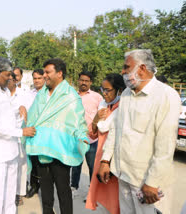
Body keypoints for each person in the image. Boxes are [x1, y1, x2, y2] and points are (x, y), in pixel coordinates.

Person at [98, 49, 180, 214]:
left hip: (145, 181)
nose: (122, 72)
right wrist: (105, 160)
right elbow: (116, 129)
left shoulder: (166, 96)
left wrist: (152, 181)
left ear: (141, 69)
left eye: (126, 67)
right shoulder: (127, 94)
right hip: (124, 175)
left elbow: (165, 145)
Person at [26, 58, 90, 214]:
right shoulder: (41, 94)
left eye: (48, 72)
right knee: (46, 190)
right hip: (41, 147)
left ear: (59, 73)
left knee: (63, 190)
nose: (45, 75)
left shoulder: (70, 96)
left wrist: (82, 138)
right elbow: (33, 116)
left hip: (60, 149)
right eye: (44, 72)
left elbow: (77, 121)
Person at [0, 56, 36, 214]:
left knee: (10, 195)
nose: (11, 78)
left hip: (10, 150)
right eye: (7, 74)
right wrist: (21, 132)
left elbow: (5, 117)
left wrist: (19, 109)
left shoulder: (2, 92)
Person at [85, 73, 126, 214]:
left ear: (119, 90)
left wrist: (107, 161)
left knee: (117, 199)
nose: (104, 93)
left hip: (114, 159)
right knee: (104, 199)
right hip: (101, 156)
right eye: (102, 89)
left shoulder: (123, 108)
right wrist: (96, 119)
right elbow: (93, 133)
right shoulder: (103, 106)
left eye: (107, 90)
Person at [71, 71, 103, 199]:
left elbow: (102, 114)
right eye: (81, 80)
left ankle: (92, 191)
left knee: (92, 166)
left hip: (92, 138)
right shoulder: (72, 95)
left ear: (90, 82)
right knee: (75, 164)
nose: (83, 82)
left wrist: (97, 129)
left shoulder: (97, 97)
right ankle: (73, 187)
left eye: (86, 81)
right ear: (78, 81)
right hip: (76, 137)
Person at [7, 72, 29, 206]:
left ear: (15, 81)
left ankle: (19, 194)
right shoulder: (2, 94)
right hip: (6, 134)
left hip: (20, 133)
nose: (7, 82)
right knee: (9, 165)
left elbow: (29, 110)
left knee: (21, 164)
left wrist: (24, 108)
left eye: (10, 79)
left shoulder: (23, 94)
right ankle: (8, 192)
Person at [26, 68, 45, 198]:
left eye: (39, 78)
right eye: (35, 78)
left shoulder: (49, 94)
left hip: (44, 133)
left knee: (44, 162)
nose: (37, 81)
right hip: (31, 132)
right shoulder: (28, 93)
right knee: (33, 161)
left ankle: (45, 187)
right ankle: (34, 186)